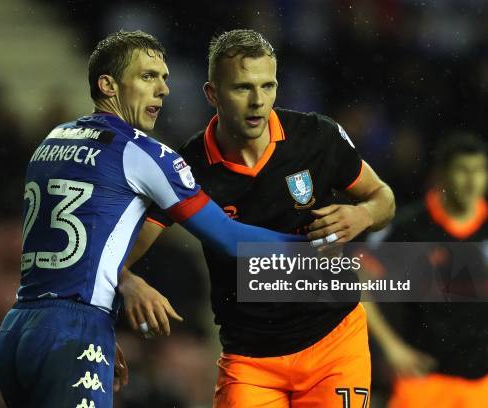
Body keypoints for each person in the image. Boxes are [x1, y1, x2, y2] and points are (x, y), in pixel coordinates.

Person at [0, 30, 307, 408]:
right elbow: (228, 237)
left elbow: (84, 244)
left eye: (165, 78)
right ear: (107, 85)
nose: (163, 90)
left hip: (17, 331)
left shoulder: (54, 140)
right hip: (73, 331)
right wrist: (318, 252)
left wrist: (112, 303)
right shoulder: (144, 153)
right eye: (148, 76)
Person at [122, 29, 395, 407]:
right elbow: (124, 251)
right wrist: (125, 279)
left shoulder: (316, 137)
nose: (257, 101)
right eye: (242, 88)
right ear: (212, 94)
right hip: (250, 359)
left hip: (333, 342)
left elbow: (384, 198)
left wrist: (362, 214)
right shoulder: (188, 166)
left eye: (267, 86)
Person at [369, 133, 487, 407]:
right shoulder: (413, 229)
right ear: (443, 174)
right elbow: (357, 282)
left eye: (480, 170)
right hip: (423, 383)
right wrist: (392, 348)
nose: (472, 181)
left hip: (482, 384)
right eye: (462, 170)